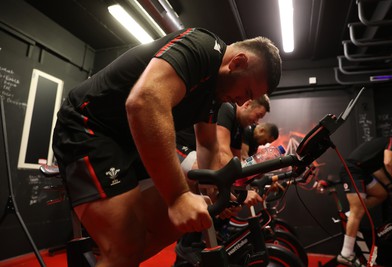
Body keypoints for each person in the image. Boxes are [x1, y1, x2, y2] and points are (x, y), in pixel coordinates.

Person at [52, 27, 282, 267]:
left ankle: (115, 258)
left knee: (180, 223)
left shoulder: (215, 93)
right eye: (246, 93)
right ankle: (118, 254)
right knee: (127, 246)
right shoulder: (201, 46)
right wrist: (177, 197)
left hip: (128, 141)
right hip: (90, 126)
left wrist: (217, 191)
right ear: (237, 62)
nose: (242, 102)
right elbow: (143, 101)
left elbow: (207, 144)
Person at [174, 96, 272, 266]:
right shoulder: (227, 109)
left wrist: (237, 191)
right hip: (179, 147)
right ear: (247, 104)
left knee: (228, 198)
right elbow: (222, 153)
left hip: (197, 155)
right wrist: (235, 191)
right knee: (208, 176)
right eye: (257, 115)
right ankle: (188, 243)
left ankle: (200, 240)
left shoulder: (240, 127)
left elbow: (235, 161)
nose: (257, 121)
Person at [336, 136, 392, 267]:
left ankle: (352, 215)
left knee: (381, 194)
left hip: (363, 171)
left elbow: (378, 171)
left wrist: (390, 185)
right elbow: (389, 163)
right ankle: (346, 254)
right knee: (357, 210)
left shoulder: (380, 148)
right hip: (352, 170)